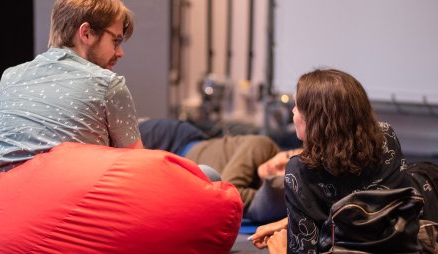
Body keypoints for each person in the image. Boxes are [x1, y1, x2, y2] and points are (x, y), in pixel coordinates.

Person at [249, 68, 420, 252]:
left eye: (297, 106)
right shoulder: (386, 135)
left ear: (315, 119)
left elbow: (305, 249)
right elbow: (365, 212)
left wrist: (280, 248)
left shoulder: (300, 169)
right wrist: (288, 222)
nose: (293, 111)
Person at [0, 0, 142, 178]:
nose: (119, 53)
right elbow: (136, 169)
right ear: (86, 33)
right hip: (73, 204)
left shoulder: (9, 77)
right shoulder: (107, 83)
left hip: (3, 201)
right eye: (116, 41)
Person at [139, 118, 302, 222]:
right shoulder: (262, 145)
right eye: (286, 155)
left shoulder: (270, 187)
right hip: (174, 140)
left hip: (175, 160)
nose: (277, 165)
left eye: (285, 170)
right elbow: (228, 193)